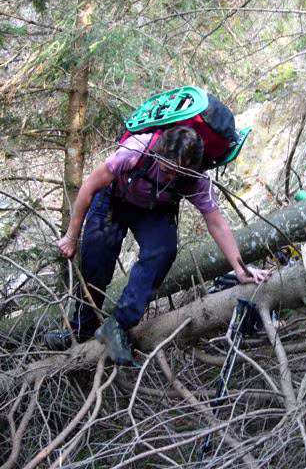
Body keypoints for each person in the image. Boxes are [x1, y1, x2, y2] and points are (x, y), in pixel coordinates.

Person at [45, 125, 269, 365]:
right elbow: (89, 186)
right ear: (158, 153)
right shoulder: (135, 151)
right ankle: (80, 331)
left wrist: (240, 269)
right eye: (167, 168)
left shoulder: (195, 179)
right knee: (96, 264)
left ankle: (118, 324)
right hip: (113, 199)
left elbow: (217, 224)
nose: (171, 176)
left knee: (163, 251)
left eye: (178, 172)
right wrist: (71, 236)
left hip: (155, 209)